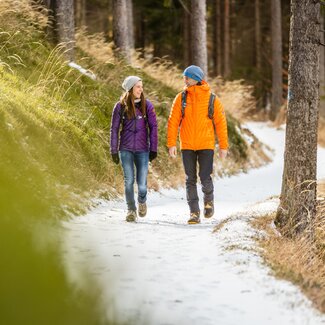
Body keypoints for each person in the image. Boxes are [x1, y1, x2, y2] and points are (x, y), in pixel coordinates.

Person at [167, 65, 228, 224]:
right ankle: (194, 212)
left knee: (205, 177)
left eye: (187, 77)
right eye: (184, 77)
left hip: (206, 144)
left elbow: (221, 123)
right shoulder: (181, 98)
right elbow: (173, 122)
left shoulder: (212, 99)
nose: (184, 80)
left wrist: (223, 146)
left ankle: (209, 201)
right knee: (190, 179)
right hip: (187, 145)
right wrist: (171, 143)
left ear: (195, 79)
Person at [110, 76, 158, 222]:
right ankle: (131, 210)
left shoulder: (147, 105)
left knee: (142, 183)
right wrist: (113, 150)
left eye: (141, 87)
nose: (141, 89)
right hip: (125, 149)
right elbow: (114, 128)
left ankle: (142, 201)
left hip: (143, 150)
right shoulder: (120, 106)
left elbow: (153, 127)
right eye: (138, 87)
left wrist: (153, 149)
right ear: (130, 89)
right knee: (129, 180)